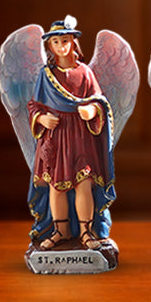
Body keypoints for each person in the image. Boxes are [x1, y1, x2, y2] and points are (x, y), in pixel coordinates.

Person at [28, 17, 116, 249]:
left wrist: (92, 110)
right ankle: (61, 231)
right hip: (56, 136)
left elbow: (99, 100)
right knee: (56, 185)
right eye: (56, 42)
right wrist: (41, 118)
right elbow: (34, 105)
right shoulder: (46, 75)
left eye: (65, 41)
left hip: (80, 135)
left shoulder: (85, 72)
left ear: (73, 42)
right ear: (50, 46)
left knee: (83, 183)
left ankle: (86, 231)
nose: (61, 46)